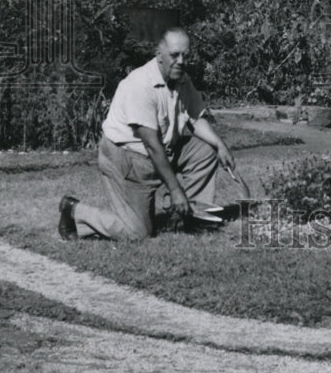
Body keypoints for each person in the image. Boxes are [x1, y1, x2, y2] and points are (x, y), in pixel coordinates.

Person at [58, 28, 235, 241]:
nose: (181, 61)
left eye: (185, 55)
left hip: (161, 151)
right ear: (159, 55)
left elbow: (195, 117)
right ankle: (74, 211)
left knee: (205, 150)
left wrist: (220, 144)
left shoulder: (182, 79)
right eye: (174, 55)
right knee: (137, 233)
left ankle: (191, 217)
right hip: (129, 160)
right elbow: (152, 146)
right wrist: (176, 190)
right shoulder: (140, 85)